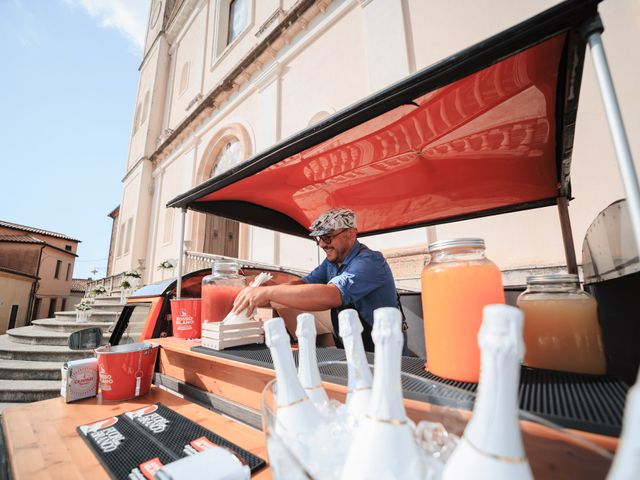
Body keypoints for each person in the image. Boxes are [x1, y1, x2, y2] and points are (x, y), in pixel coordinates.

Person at [231, 208, 402, 351]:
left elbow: (331, 295)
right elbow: (304, 283)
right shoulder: (331, 263)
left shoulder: (369, 261)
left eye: (328, 237)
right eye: (319, 238)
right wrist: (271, 287)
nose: (321, 244)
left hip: (383, 352)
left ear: (351, 234)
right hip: (351, 349)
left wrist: (269, 293)